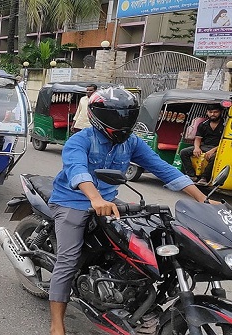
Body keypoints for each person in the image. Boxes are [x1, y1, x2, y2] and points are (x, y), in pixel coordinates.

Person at [47, 87, 211, 335]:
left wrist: (204, 201)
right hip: (73, 200)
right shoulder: (79, 140)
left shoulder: (131, 142)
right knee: (67, 260)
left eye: (127, 116)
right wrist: (94, 198)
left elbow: (162, 168)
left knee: (144, 243)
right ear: (99, 117)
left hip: (109, 202)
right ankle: (56, 324)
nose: (122, 123)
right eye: (117, 117)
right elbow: (77, 169)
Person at [180, 103, 225, 186]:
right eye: (210, 112)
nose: (213, 114)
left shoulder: (225, 125)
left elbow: (224, 142)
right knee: (184, 152)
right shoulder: (203, 124)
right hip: (205, 146)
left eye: (215, 112)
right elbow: (198, 139)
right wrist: (196, 148)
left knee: (214, 157)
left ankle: (204, 178)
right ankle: (191, 175)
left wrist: (213, 150)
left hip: (220, 148)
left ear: (221, 112)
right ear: (207, 112)